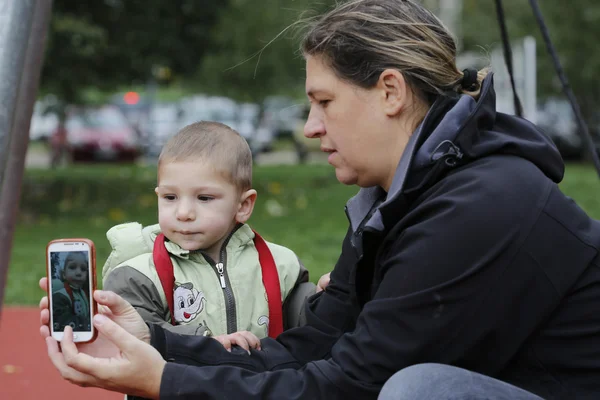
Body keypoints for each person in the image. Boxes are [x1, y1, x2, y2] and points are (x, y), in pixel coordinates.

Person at [39, 0, 600, 399]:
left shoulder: (478, 206)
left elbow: (353, 386)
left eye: (323, 101)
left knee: (417, 391)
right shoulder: (399, 199)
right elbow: (316, 345)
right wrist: (155, 342)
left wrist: (164, 381)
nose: (309, 127)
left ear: (389, 91)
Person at [101, 121, 315, 341]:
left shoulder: (282, 266)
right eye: (170, 197)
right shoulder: (138, 275)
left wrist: (330, 298)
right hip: (173, 376)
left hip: (266, 374)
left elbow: (313, 328)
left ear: (243, 206)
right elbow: (136, 334)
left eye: (204, 198)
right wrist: (206, 343)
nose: (183, 213)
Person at [50, 252, 91, 332]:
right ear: (64, 274)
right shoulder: (60, 296)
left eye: (83, 269)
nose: (79, 273)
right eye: (72, 267)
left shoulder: (86, 294)